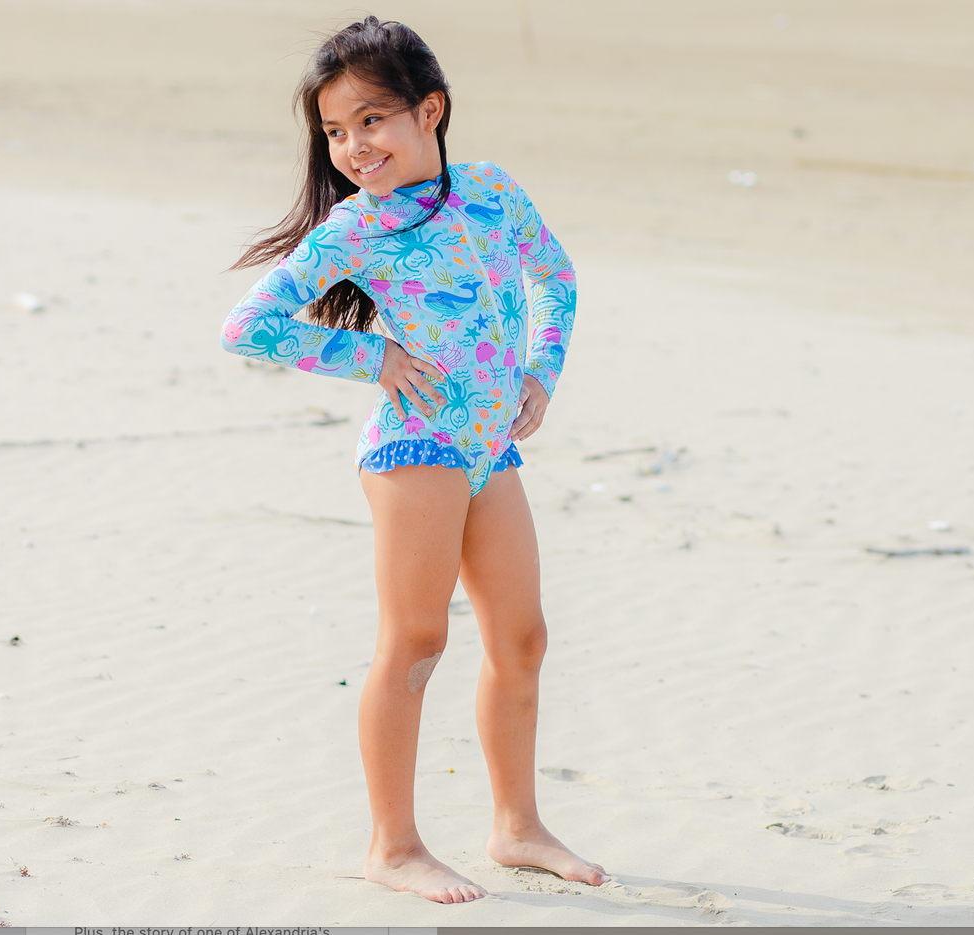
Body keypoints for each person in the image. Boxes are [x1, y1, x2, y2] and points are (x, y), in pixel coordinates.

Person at [221, 15, 607, 904]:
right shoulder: (354, 229)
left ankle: (517, 826)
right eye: (335, 131)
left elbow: (556, 276)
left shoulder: (492, 191)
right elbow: (248, 326)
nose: (353, 146)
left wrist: (540, 375)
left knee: (523, 637)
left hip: (490, 448)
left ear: (429, 109)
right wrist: (375, 357)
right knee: (417, 639)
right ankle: (392, 845)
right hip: (414, 446)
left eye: (372, 120)